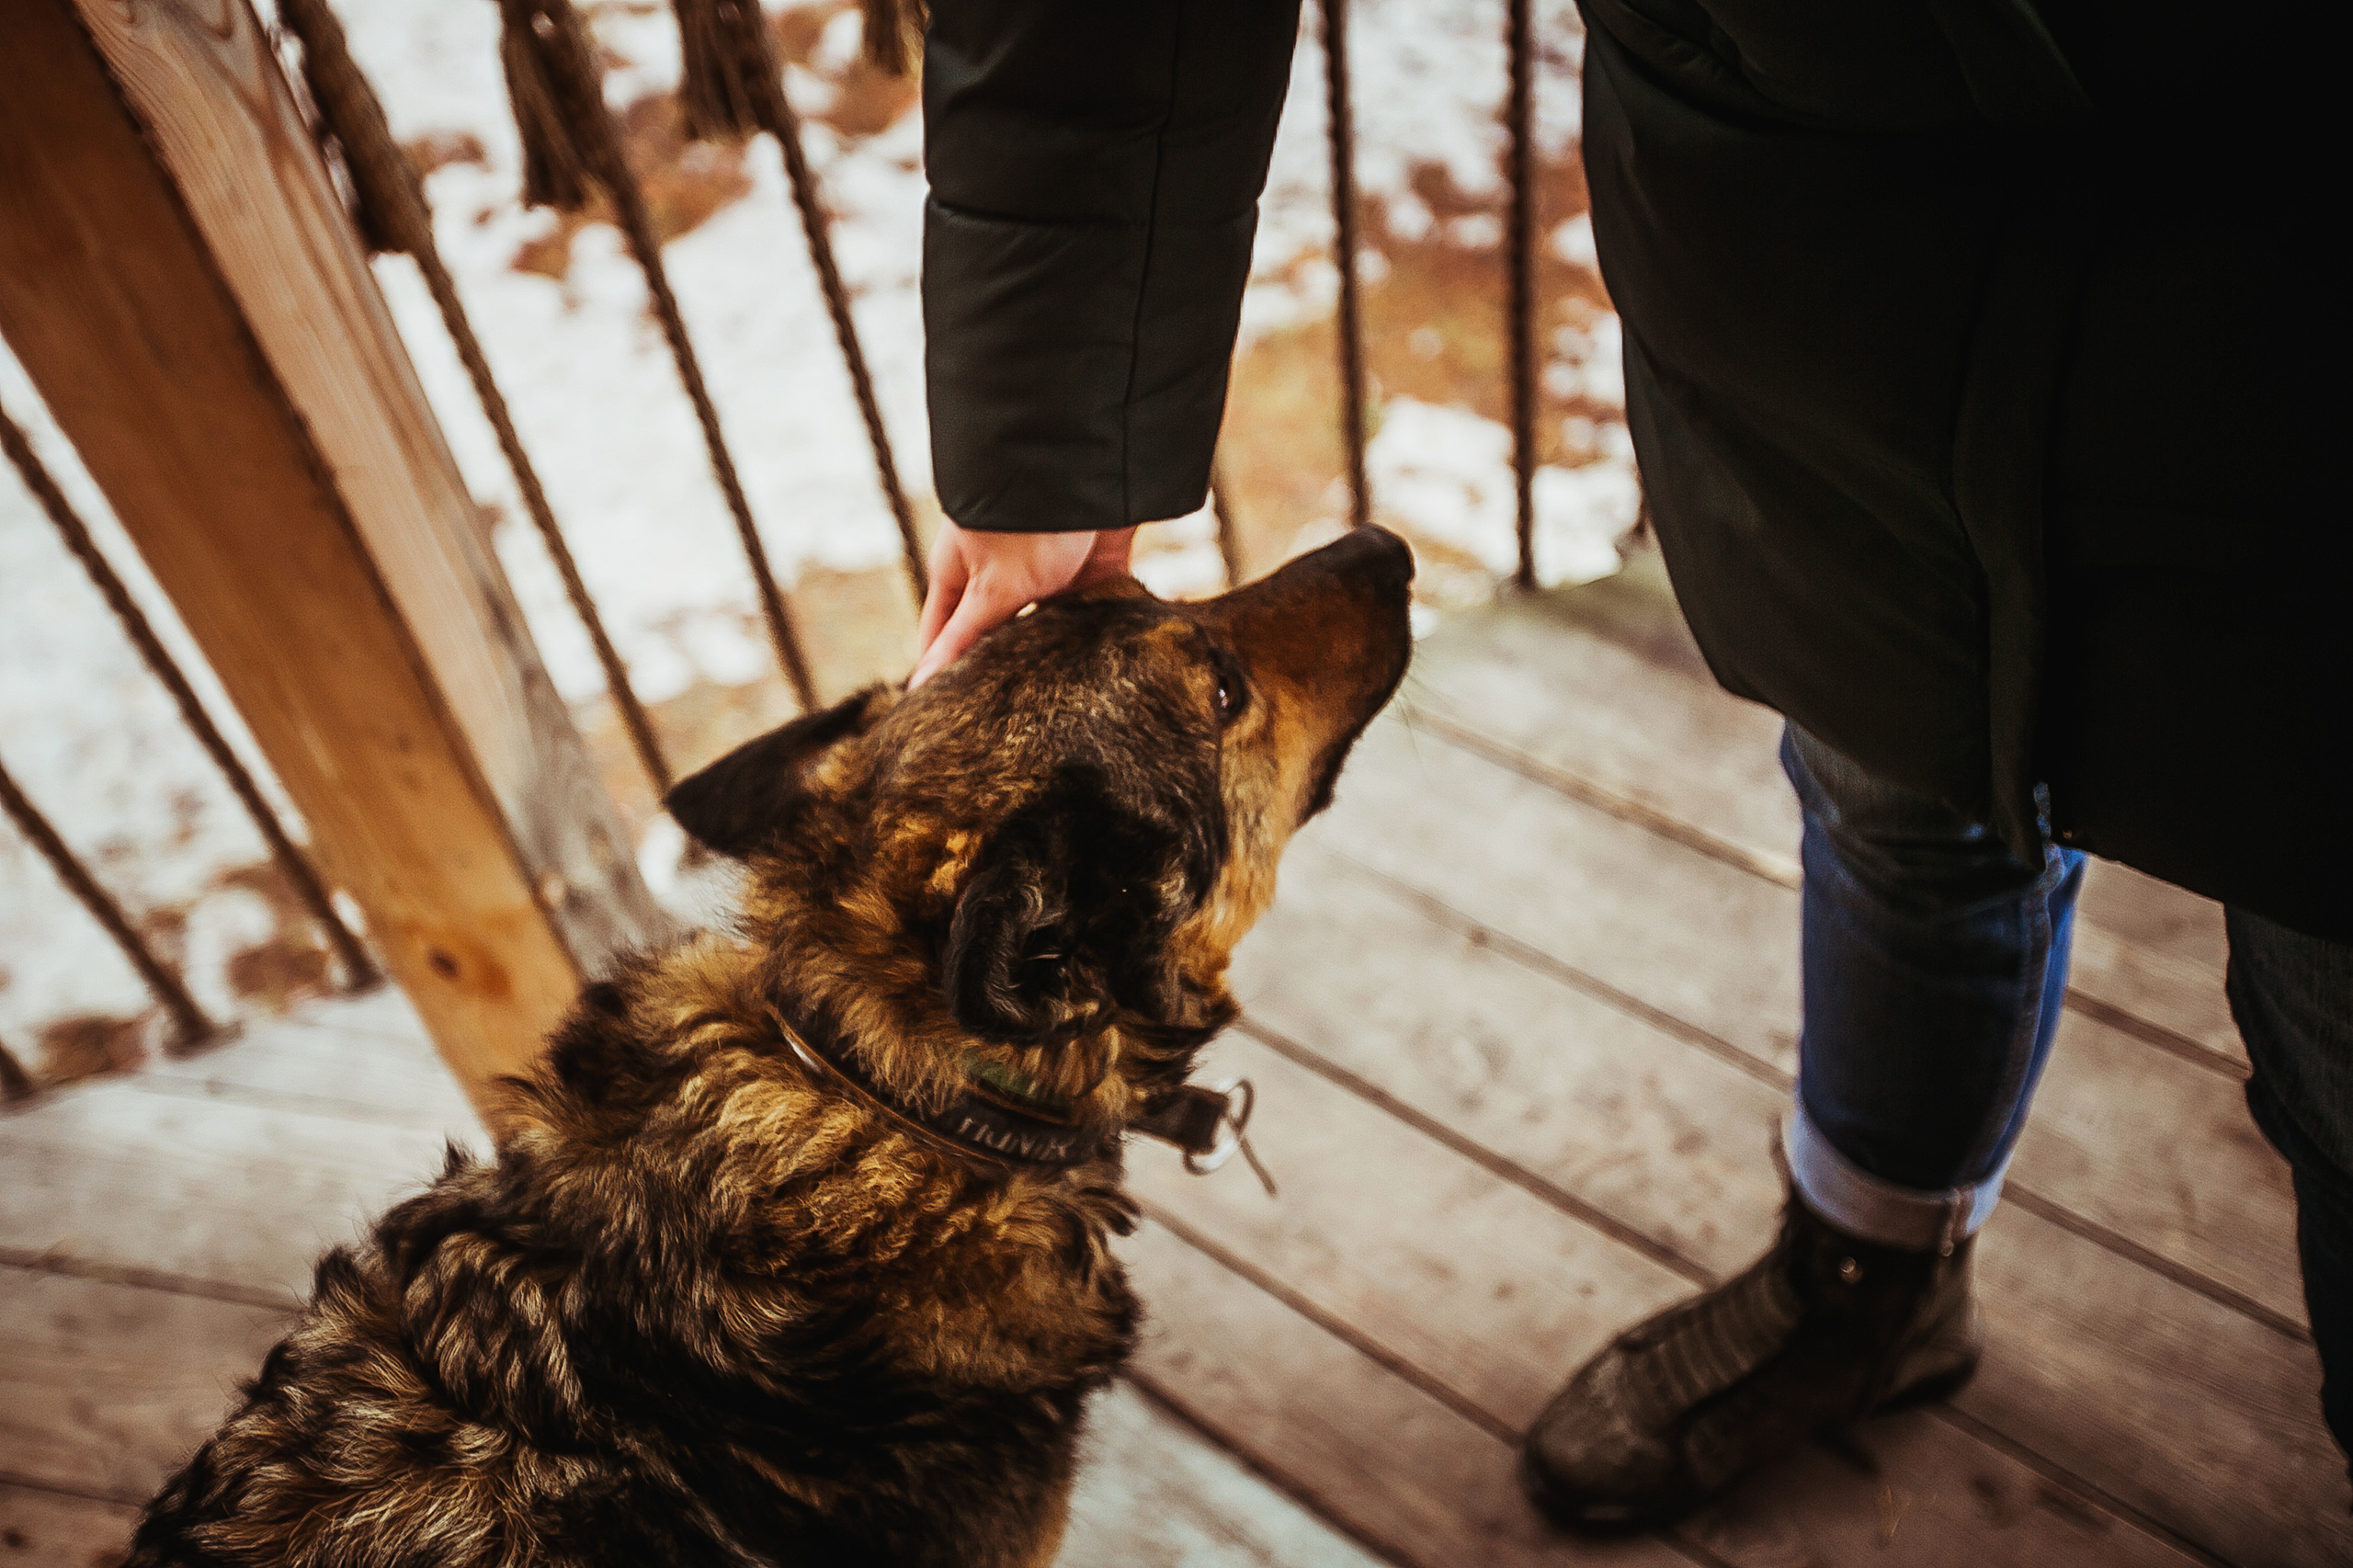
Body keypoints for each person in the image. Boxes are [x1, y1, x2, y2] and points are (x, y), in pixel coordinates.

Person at [891, 0, 2350, 1528]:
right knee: (1891, 804)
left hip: (2305, 343)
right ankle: (1869, 1270)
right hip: (1832, 313)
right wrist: (1053, 437)